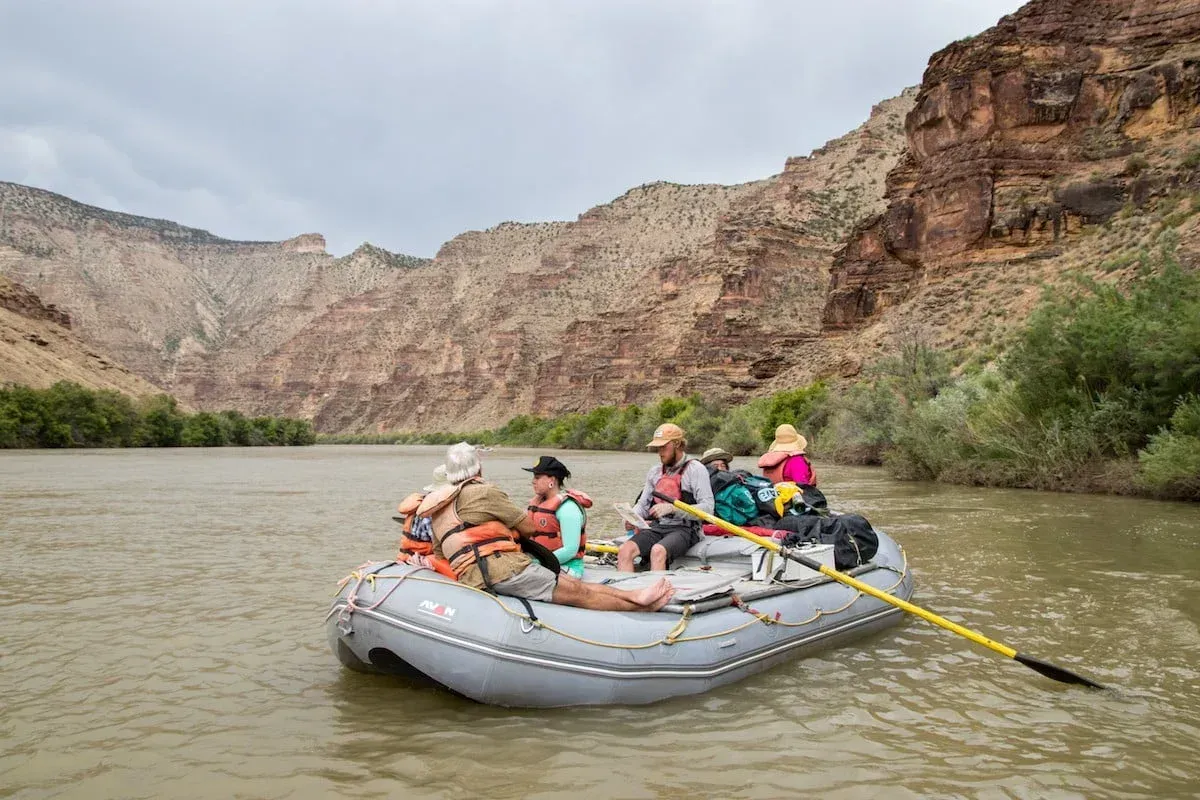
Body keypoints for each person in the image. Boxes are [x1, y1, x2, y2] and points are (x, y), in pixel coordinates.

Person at [417, 442, 674, 611]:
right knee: (578, 592)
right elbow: (528, 528)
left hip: (473, 576)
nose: (533, 482)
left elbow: (440, 554)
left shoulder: (436, 507)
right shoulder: (484, 493)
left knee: (575, 586)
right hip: (504, 570)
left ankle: (635, 596)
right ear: (479, 467)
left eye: (537, 477)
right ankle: (640, 603)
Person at [617, 424, 715, 572]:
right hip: (659, 527)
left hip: (686, 529)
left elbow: (708, 508)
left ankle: (659, 593)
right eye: (658, 448)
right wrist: (632, 517)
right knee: (625, 550)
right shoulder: (655, 472)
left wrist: (673, 508)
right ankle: (625, 593)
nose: (660, 452)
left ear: (677, 444)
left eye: (663, 447)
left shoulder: (696, 469)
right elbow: (643, 504)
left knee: (657, 551)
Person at [524, 455, 590, 578]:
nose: (533, 481)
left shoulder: (567, 508)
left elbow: (570, 550)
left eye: (537, 477)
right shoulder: (537, 504)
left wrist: (538, 563)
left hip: (568, 567)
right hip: (543, 564)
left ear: (552, 481)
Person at [699, 447, 760, 527]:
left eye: (723, 465)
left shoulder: (736, 481)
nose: (720, 469)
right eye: (715, 466)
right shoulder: (701, 484)